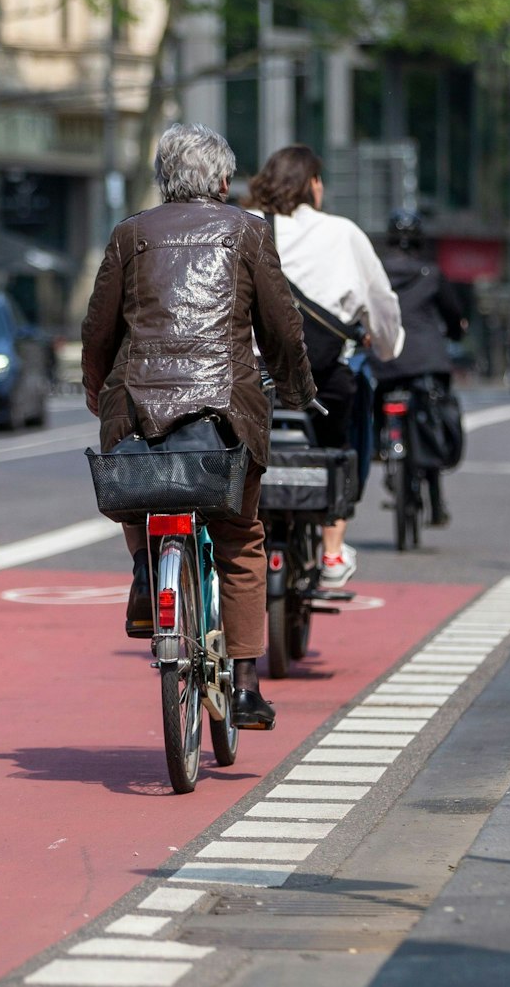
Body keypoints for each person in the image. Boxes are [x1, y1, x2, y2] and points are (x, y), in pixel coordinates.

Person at [82, 123, 317, 731]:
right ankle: (244, 686)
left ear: (165, 179)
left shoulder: (129, 234)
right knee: (241, 538)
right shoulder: (247, 231)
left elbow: (98, 331)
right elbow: (283, 327)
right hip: (225, 409)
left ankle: (145, 573)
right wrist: (295, 389)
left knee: (141, 493)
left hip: (138, 406)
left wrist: (97, 392)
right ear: (221, 180)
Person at [246, 145, 402, 588]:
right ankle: (333, 552)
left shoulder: (246, 227)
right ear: (313, 184)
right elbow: (381, 303)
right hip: (320, 379)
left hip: (254, 378)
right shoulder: (344, 233)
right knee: (341, 445)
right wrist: (387, 346)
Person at [376, 208, 469, 527]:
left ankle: (381, 446)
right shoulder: (431, 274)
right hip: (427, 361)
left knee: (369, 403)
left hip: (383, 361)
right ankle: (436, 500)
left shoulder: (375, 272)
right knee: (431, 421)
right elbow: (454, 316)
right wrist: (456, 332)